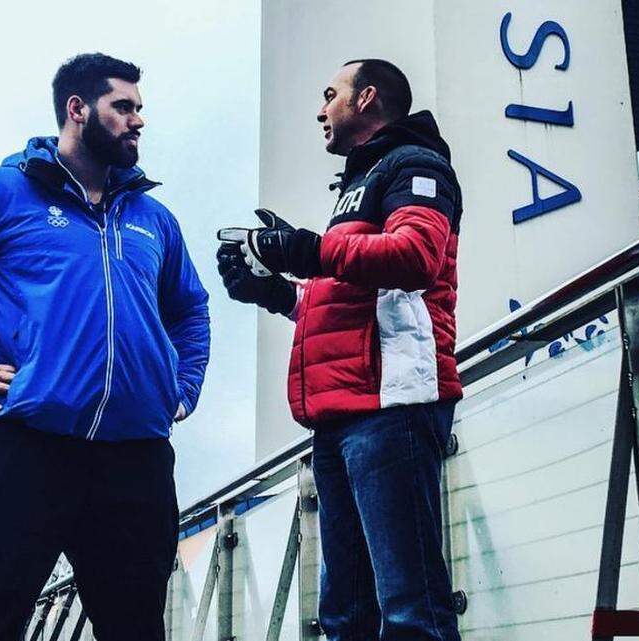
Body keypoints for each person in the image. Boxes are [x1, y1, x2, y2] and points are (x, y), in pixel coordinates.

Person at [0, 53, 210, 641]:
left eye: (140, 109)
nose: (138, 121)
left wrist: (181, 388)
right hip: (22, 448)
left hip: (136, 460)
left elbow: (191, 310)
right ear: (77, 110)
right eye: (122, 107)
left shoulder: (154, 219)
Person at [217, 59, 462, 641]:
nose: (321, 109)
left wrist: (305, 250)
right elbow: (351, 301)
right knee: (345, 613)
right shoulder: (357, 185)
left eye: (332, 95)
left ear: (367, 99)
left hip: (392, 408)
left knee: (410, 609)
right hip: (340, 415)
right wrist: (272, 290)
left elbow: (416, 257)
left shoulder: (415, 165)